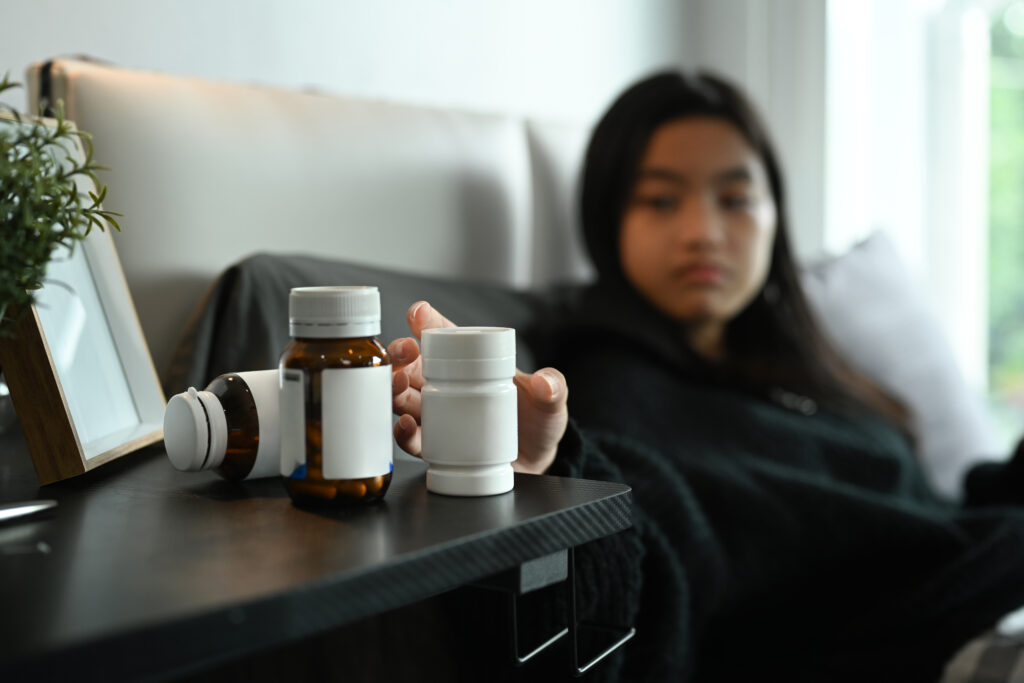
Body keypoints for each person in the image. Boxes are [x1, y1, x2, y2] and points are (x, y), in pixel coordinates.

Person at [388, 71, 1024, 682]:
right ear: (610, 219)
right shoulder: (618, 395)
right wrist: (550, 482)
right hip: (939, 642)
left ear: (775, 218)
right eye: (661, 200)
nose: (704, 233)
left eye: (736, 199)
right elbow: (656, 586)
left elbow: (937, 518)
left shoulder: (804, 367)